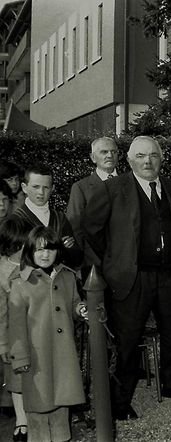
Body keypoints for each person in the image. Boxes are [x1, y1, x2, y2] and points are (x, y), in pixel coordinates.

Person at [84, 136, 171, 421]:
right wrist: (114, 263)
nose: (148, 161)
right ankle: (119, 400)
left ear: (162, 159)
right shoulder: (113, 189)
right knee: (127, 340)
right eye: (140, 156)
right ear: (129, 160)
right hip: (132, 277)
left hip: (168, 274)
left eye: (153, 155)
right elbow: (92, 231)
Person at [9, 226, 86, 442]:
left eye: (50, 249)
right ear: (30, 252)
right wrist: (20, 358)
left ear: (58, 251)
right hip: (36, 360)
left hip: (63, 356)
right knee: (38, 410)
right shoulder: (21, 284)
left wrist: (80, 309)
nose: (45, 254)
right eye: (40, 250)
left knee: (62, 406)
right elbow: (16, 326)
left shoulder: (67, 277)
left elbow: (73, 303)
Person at [9, 164, 82, 269]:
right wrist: (58, 247)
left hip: (58, 280)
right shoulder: (16, 220)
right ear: (24, 188)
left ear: (52, 188)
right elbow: (13, 261)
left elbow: (76, 258)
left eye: (46, 187)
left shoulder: (60, 218)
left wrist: (67, 250)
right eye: (36, 187)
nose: (41, 192)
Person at [66, 137, 119, 275]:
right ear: (93, 157)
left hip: (126, 264)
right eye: (104, 152)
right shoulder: (81, 188)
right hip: (94, 265)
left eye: (113, 152)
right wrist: (87, 259)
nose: (109, 155)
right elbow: (75, 228)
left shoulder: (129, 184)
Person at [0, 219, 31, 442]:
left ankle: (36, 415)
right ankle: (21, 419)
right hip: (13, 333)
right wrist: (2, 342)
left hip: (36, 332)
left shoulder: (35, 267)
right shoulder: (3, 272)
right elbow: (1, 313)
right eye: (18, 248)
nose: (22, 252)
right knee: (16, 378)